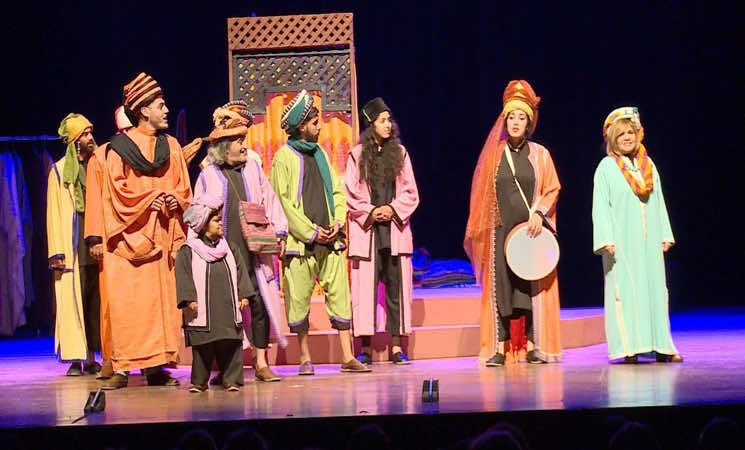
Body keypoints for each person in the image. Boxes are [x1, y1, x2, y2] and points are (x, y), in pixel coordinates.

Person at [101, 73, 192, 389]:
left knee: (159, 305)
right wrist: (148, 200)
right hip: (129, 240)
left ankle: (155, 367)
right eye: (160, 105)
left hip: (162, 236)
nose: (166, 110)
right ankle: (122, 368)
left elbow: (183, 188)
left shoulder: (172, 146)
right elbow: (116, 195)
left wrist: (175, 200)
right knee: (129, 305)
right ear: (143, 110)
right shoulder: (119, 149)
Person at [269, 90, 370, 374]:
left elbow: (337, 192)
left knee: (339, 295)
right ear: (302, 126)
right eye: (315, 122)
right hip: (301, 242)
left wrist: (337, 222)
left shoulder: (321, 153)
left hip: (330, 238)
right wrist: (311, 232)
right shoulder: (283, 158)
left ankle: (347, 356)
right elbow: (283, 203)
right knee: (298, 297)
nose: (320, 126)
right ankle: (304, 357)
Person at [464, 80, 562, 366]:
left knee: (530, 286)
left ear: (529, 123)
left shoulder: (540, 154)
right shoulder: (494, 155)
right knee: (502, 287)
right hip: (500, 230)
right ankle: (500, 346)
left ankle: (532, 345)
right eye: (511, 117)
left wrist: (539, 214)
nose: (516, 122)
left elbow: (553, 188)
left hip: (531, 230)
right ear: (504, 121)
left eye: (521, 117)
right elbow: (482, 193)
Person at [194, 100, 289, 382]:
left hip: (253, 250)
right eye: (238, 141)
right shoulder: (208, 175)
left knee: (259, 304)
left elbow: (269, 199)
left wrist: (280, 232)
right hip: (223, 254)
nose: (244, 146)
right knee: (226, 309)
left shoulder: (253, 168)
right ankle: (226, 367)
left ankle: (261, 362)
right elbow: (196, 213)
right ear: (225, 147)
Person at [592, 107, 682, 363]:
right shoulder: (607, 168)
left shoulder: (647, 165)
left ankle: (661, 346)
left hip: (649, 240)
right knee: (626, 293)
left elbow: (659, 200)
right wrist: (605, 239)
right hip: (621, 243)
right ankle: (629, 348)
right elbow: (600, 206)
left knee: (655, 291)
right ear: (612, 139)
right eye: (621, 134)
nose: (627, 138)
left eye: (630, 132)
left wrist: (665, 233)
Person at [345, 98, 419, 365]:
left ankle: (397, 347)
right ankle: (365, 348)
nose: (388, 125)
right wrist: (371, 211)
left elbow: (411, 192)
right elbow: (351, 194)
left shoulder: (400, 153)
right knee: (365, 292)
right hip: (368, 232)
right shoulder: (357, 156)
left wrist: (391, 209)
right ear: (371, 124)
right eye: (382, 121)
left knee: (396, 288)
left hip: (394, 229)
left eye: (389, 120)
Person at [176, 194, 251, 392]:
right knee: (203, 347)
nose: (220, 223)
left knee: (230, 344)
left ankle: (231, 380)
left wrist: (244, 294)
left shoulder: (229, 248)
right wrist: (189, 299)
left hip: (227, 308)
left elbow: (241, 271)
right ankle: (199, 381)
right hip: (202, 310)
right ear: (203, 225)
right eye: (216, 220)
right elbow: (183, 276)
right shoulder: (189, 250)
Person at [46, 113, 102, 375]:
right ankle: (75, 359)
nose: (90, 138)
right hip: (71, 245)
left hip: (93, 239)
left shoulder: (97, 166)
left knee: (93, 301)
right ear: (74, 140)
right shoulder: (58, 171)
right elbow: (53, 213)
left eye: (90, 133)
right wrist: (56, 251)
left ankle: (91, 357)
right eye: (85, 134)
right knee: (72, 301)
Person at [83, 106, 133, 379]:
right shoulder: (101, 156)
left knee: (143, 303)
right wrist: (95, 238)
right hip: (113, 241)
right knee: (111, 305)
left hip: (143, 238)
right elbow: (93, 199)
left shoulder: (152, 151)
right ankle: (111, 359)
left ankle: (151, 363)